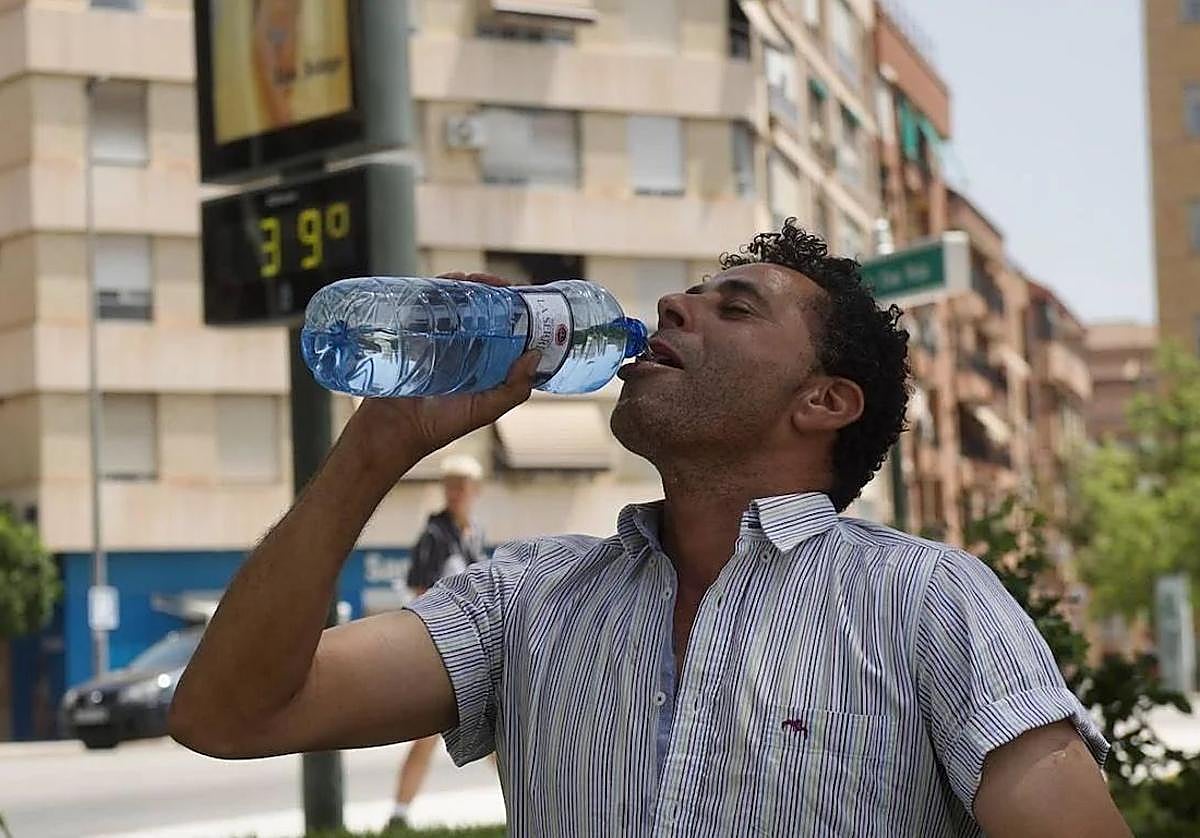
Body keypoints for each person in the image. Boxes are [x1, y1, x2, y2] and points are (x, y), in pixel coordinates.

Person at [169, 221, 1131, 836]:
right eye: (691, 294)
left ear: (824, 402)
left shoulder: (928, 603)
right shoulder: (526, 600)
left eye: (735, 306)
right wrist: (377, 449)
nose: (674, 304)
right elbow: (229, 715)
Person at [389, 455, 487, 830]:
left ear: (475, 492)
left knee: (499, 733)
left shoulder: (475, 534)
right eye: (451, 486)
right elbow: (421, 594)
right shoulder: (433, 537)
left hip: (475, 646)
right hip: (441, 650)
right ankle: (399, 813)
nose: (456, 493)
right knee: (427, 733)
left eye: (463, 486)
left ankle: (525, 804)